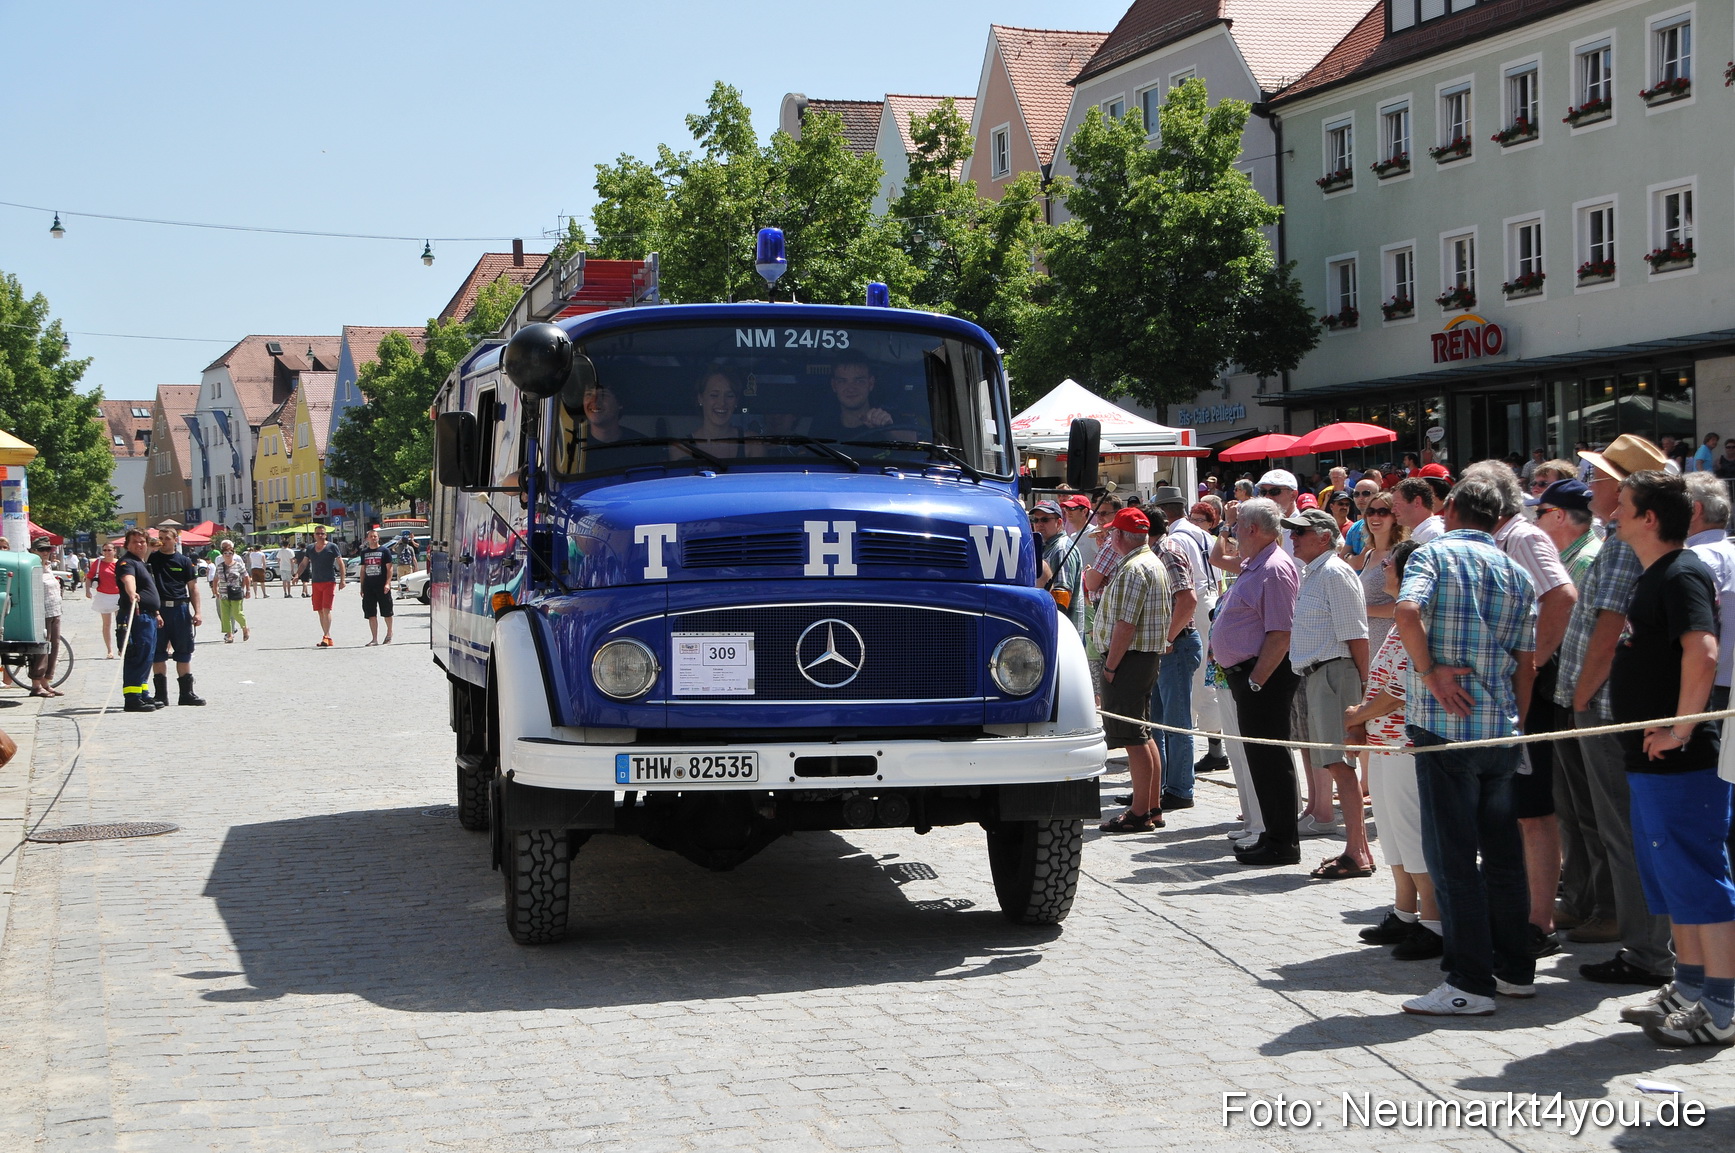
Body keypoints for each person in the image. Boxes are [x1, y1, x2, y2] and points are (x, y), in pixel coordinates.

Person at [1394, 476, 1539, 1016]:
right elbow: (1526, 665)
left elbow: (1408, 612)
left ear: (1450, 508)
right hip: (1500, 729)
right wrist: (1514, 721)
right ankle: (1514, 969)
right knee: (1502, 856)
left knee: (1452, 856)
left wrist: (1430, 672)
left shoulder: (1433, 557)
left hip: (1445, 728)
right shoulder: (1516, 571)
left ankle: (1470, 982)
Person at [1607, 470, 1735, 1047]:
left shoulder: (1682, 572)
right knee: (1673, 881)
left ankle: (1724, 1005)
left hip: (1681, 763)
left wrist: (1681, 731)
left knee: (1699, 878)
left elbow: (1703, 653)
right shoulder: (1655, 573)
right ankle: (1690, 986)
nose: (1612, 513)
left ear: (1650, 518)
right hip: (1652, 760)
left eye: (1624, 507)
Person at [1554, 435, 1678, 988]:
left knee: (1623, 831)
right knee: (1612, 826)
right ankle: (1642, 942)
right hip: (1600, 703)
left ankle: (1647, 951)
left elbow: (1608, 626)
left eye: (1601, 478)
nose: (1592, 485)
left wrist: (1580, 698)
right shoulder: (1615, 537)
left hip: (1604, 708)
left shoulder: (1626, 543)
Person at [1460, 460, 1578, 957]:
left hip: (1527, 685)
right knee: (1508, 804)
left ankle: (1538, 921)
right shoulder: (1499, 540)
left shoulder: (1523, 537)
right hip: (1504, 684)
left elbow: (1562, 595)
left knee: (1532, 807)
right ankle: (1513, 909)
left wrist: (1532, 664)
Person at [1346, 539, 1442, 960]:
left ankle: (1434, 921)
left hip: (1406, 742)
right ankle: (1405, 911)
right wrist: (1364, 718)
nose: (1383, 565)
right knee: (1391, 830)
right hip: (1384, 740)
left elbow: (1400, 689)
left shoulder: (1418, 618)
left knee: (1410, 829)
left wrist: (1356, 715)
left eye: (1390, 563)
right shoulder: (1404, 616)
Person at [1210, 497, 1302, 866]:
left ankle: (1283, 841)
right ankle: (1272, 834)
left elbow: (1281, 633)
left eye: (1235, 528)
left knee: (1270, 759)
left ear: (1251, 529)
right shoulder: (1257, 563)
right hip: (1249, 675)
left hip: (1263, 676)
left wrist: (1256, 681)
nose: (1231, 535)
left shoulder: (1276, 568)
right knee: (1260, 759)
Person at [1283, 508, 1373, 876]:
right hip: (1320, 675)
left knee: (1340, 764)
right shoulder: (1316, 573)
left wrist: (1365, 695)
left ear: (1323, 537)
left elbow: (1357, 635)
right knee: (1333, 763)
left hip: (1335, 675)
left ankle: (1357, 852)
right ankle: (1358, 850)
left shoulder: (1334, 572)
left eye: (1301, 533)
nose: (1293, 538)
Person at [1093, 507, 1173, 833]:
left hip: (1130, 659)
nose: (1110, 537)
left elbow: (1125, 625)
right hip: (1142, 658)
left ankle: (1140, 813)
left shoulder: (1133, 568)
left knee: (1133, 737)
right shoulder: (1150, 561)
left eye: (1113, 532)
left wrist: (1110, 666)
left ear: (1123, 536)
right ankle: (1150, 807)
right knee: (1142, 733)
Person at [1155, 484, 1221, 789]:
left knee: (1194, 688)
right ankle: (1213, 748)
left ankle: (1190, 767)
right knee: (1205, 682)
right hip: (1208, 602)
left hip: (1189, 609)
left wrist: (1169, 636)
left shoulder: (1175, 539)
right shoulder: (1204, 534)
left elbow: (1186, 590)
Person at [146, 527, 206, 706]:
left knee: (184, 651)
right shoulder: (152, 559)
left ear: (175, 540)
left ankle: (186, 694)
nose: (163, 541)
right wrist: (151, 547)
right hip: (159, 609)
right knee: (158, 653)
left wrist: (198, 612)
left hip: (180, 609)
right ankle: (160, 695)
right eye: (161, 538)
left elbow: (193, 588)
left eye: (167, 538)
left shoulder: (184, 561)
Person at [113, 529, 164, 712]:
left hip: (148, 615)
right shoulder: (127, 562)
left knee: (147, 656)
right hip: (135, 615)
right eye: (135, 542)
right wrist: (132, 592)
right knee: (137, 655)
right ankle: (132, 698)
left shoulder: (141, 563)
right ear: (127, 545)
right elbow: (128, 579)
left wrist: (156, 612)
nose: (139, 545)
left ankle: (142, 692)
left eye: (142, 542)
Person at [1030, 501, 1084, 636]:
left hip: (1062, 632)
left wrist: (1051, 627)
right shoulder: (1046, 547)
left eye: (1045, 519)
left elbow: (1062, 596)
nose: (1039, 524)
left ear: (1059, 522)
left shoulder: (1061, 549)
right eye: (1036, 520)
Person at [296, 525, 347, 647]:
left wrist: (342, 580)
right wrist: (297, 575)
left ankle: (326, 636)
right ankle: (327, 636)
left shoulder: (332, 547)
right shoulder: (310, 548)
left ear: (326, 535)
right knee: (319, 610)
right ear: (314, 535)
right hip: (316, 582)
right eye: (318, 533)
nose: (320, 536)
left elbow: (340, 564)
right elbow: (304, 563)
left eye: (322, 534)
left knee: (326, 609)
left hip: (329, 581)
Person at [28, 539, 64, 697]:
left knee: (54, 646)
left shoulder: (48, 566)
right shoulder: (32, 568)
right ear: (34, 550)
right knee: (42, 647)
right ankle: (36, 684)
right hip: (40, 612)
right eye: (41, 549)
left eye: (48, 549)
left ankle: (46, 681)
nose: (45, 552)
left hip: (55, 610)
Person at [356, 527, 396, 646]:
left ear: (378, 538)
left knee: (387, 611)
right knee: (370, 613)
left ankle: (389, 634)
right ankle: (374, 639)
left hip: (382, 585)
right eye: (371, 537)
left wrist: (388, 583)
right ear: (367, 539)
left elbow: (390, 568)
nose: (373, 538)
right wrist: (362, 587)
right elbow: (363, 570)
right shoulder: (364, 552)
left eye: (375, 536)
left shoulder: (385, 551)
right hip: (369, 586)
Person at [86, 542, 121, 658]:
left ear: (114, 551)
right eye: (104, 550)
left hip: (119, 595)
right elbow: (89, 577)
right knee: (106, 624)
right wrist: (87, 590)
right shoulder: (98, 563)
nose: (106, 552)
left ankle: (121, 647)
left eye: (109, 550)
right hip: (104, 595)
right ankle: (109, 650)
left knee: (121, 624)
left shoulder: (120, 563)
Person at [211, 540, 251, 642]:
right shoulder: (220, 566)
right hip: (223, 593)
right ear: (222, 555)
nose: (228, 555)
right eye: (225, 553)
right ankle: (229, 634)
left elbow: (246, 577)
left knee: (237, 612)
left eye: (230, 553)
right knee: (225, 615)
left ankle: (244, 627)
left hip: (236, 592)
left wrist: (247, 590)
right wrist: (215, 591)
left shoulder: (238, 565)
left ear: (233, 554)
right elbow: (215, 579)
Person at [1392, 476, 1443, 544]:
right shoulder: (1423, 533)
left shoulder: (1432, 534)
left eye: (1396, 504)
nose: (1392, 510)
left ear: (1417, 502)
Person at [1342, 478, 1382, 556]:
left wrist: (1349, 557)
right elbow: (1342, 558)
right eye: (1356, 494)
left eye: (1366, 493)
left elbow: (1360, 563)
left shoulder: (1381, 523)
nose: (1360, 498)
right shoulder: (1355, 527)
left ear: (1377, 495)